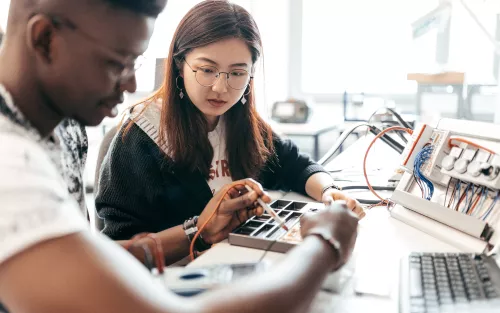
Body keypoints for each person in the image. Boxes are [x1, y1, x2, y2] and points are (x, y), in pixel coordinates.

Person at [0, 0, 360, 312]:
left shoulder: (64, 125)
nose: (128, 86)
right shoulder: (10, 162)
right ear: (45, 38)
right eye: (115, 63)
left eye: (134, 64)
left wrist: (198, 230)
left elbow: (85, 261)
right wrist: (323, 244)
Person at [95, 0, 364, 265]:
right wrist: (198, 230)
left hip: (233, 265)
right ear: (179, 63)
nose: (221, 88)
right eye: (207, 70)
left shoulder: (238, 121)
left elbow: (296, 166)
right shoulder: (142, 136)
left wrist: (329, 191)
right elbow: (116, 253)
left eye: (237, 73)